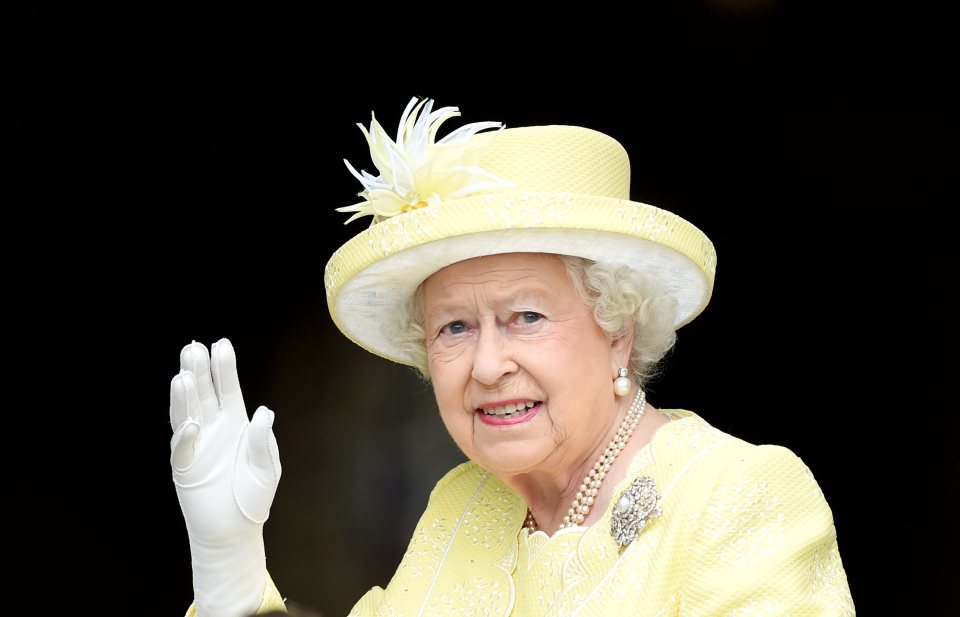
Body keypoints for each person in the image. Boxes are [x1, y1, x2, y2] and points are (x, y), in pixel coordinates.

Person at [168, 97, 856, 616]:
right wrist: (228, 566)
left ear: (617, 327)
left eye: (525, 316)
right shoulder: (464, 505)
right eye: (455, 327)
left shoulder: (738, 494)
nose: (488, 363)